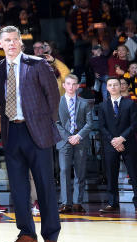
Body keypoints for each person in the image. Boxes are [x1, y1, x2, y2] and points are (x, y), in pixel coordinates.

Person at [0, 25, 60, 242]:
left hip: (37, 132)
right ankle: (27, 234)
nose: (11, 44)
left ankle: (51, 236)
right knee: (18, 189)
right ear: (0, 44)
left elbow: (53, 96)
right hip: (12, 133)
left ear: (21, 42)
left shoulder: (37, 64)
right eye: (6, 40)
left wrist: (47, 125)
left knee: (45, 186)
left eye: (14, 40)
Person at [96, 77, 137, 214]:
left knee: (134, 174)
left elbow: (134, 124)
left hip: (128, 143)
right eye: (110, 85)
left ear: (121, 87)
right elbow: (101, 127)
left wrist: (121, 138)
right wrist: (114, 140)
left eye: (115, 85)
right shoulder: (102, 106)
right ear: (107, 88)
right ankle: (112, 203)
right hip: (110, 145)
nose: (113, 87)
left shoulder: (130, 104)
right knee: (111, 175)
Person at [56, 74, 93, 214]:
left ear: (78, 86)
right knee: (64, 171)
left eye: (74, 84)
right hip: (64, 141)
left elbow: (89, 123)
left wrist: (78, 136)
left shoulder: (84, 103)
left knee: (80, 172)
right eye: (68, 84)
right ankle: (66, 203)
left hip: (80, 141)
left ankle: (78, 202)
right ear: (64, 85)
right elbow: (56, 123)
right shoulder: (57, 102)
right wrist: (69, 137)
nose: (71, 87)